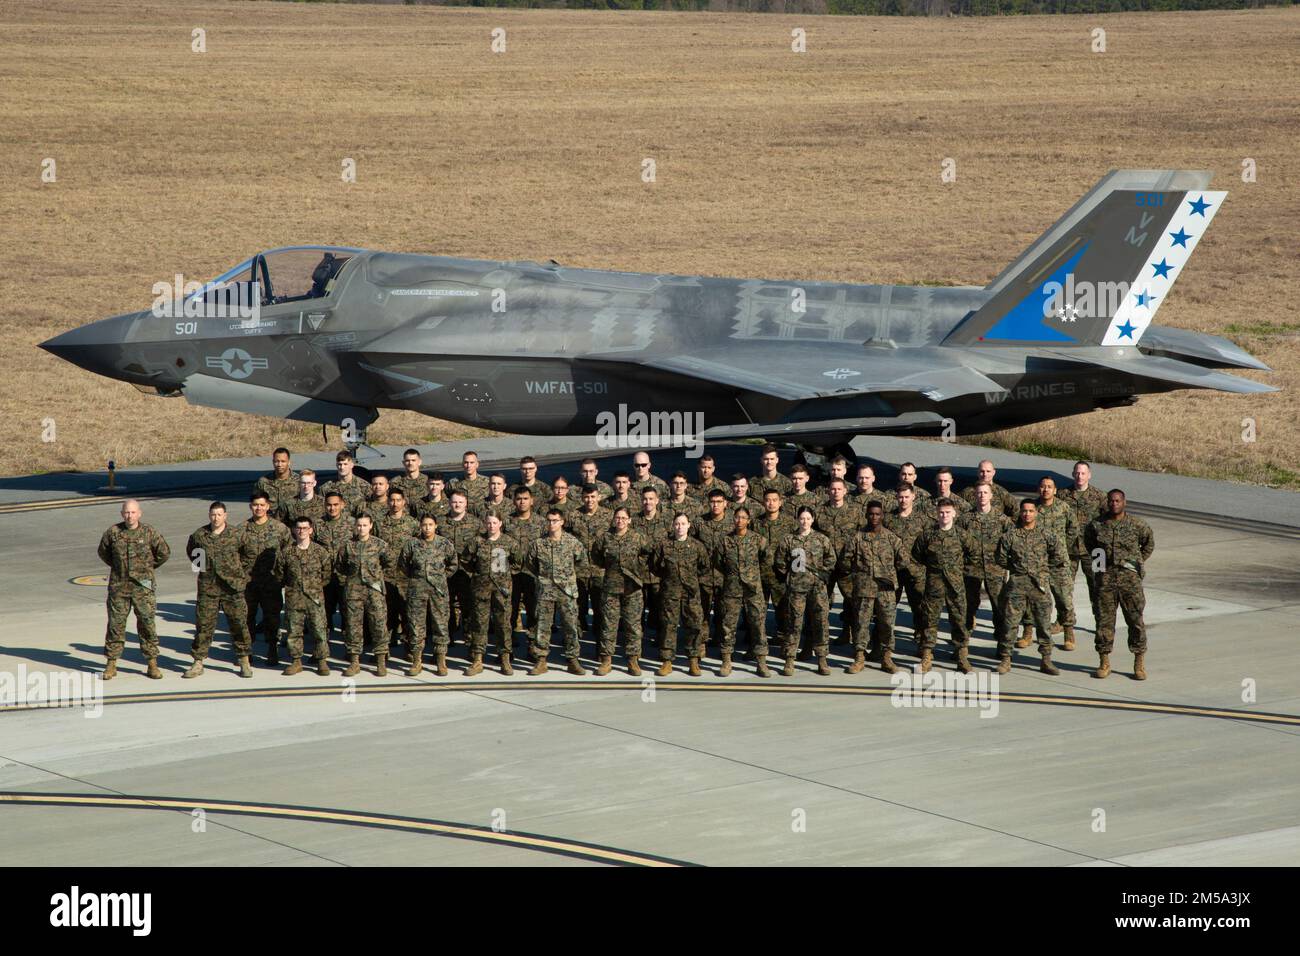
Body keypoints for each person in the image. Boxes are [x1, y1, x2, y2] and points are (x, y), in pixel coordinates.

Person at [1085, 490, 1155, 680]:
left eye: (1117, 501)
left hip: (1129, 581)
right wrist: (1100, 567)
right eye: (1111, 501)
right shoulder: (1097, 525)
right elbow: (1090, 544)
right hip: (1105, 580)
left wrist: (1137, 562)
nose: (1114, 504)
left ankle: (1139, 662)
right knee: (1104, 622)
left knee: (1135, 621)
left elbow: (1148, 543)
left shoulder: (1136, 524)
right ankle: (1104, 661)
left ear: (1124, 502)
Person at [97, 499, 169, 680]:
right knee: (115, 625)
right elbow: (103, 552)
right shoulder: (113, 533)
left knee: (147, 625)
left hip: (143, 588)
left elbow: (163, 553)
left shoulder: (149, 532)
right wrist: (119, 568)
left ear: (140, 513)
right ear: (122, 514)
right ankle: (111, 663)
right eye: (127, 513)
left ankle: (152, 663)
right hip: (119, 588)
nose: (130, 516)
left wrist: (147, 569)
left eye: (133, 512)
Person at [994, 500, 1066, 675]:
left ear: (1036, 513)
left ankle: (1046, 660)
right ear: (1020, 513)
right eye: (1024, 511)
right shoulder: (1010, 536)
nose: (1027, 514)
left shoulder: (1046, 535)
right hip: (1017, 585)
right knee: (1010, 623)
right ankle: (1006, 659)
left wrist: (1042, 570)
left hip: (1039, 586)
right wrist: (1016, 569)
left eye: (1031, 511)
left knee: (1043, 624)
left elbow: (1058, 556)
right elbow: (1000, 558)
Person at [184, 501, 254, 679]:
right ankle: (198, 662)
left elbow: (249, 554)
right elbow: (192, 551)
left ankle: (244, 660)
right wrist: (202, 569)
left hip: (232, 588)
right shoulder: (200, 535)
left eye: (219, 515)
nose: (216, 518)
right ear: (209, 515)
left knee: (239, 624)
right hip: (209, 587)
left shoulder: (236, 534)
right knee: (204, 625)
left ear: (225, 516)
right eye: (213, 514)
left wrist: (240, 573)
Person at [840, 501, 904, 674]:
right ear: (866, 515)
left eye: (877, 514)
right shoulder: (857, 537)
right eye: (871, 514)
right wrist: (855, 580)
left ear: (882, 515)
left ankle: (886, 657)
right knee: (861, 624)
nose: (874, 517)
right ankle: (859, 657)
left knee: (887, 624)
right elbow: (845, 562)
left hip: (886, 590)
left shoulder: (891, 538)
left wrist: (890, 576)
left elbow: (903, 561)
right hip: (864, 587)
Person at [911, 499, 973, 673]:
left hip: (956, 586)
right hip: (934, 584)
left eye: (947, 512)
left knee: (959, 620)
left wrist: (958, 570)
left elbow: (973, 554)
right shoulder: (928, 535)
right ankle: (927, 656)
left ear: (954, 513)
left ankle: (961, 657)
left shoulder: (962, 535)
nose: (944, 515)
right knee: (929, 621)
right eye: (941, 512)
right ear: (937, 513)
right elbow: (917, 555)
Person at [773, 506, 836, 676]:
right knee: (794, 623)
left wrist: (822, 574)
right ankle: (789, 660)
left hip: (818, 588)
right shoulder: (789, 540)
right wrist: (789, 576)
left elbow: (831, 559)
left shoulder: (821, 539)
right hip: (796, 589)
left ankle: (822, 659)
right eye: (802, 518)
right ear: (797, 519)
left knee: (821, 623)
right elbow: (780, 561)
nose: (805, 522)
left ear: (813, 519)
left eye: (808, 518)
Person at [526, 509, 589, 676]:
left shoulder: (572, 543)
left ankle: (573, 659)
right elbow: (531, 564)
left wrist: (568, 577)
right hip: (545, 591)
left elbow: (582, 562)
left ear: (562, 522)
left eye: (555, 520)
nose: (551, 523)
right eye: (549, 520)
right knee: (542, 626)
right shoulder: (538, 544)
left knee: (570, 626)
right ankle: (541, 660)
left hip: (567, 591)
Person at [591, 507, 651, 675]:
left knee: (633, 625)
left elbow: (648, 555)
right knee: (608, 625)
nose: (620, 521)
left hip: (632, 588)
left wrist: (638, 568)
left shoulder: (638, 538)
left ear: (630, 520)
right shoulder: (605, 538)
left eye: (624, 518)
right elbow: (596, 557)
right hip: (611, 587)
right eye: (617, 517)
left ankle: (632, 660)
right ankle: (606, 660)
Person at [651, 513, 711, 676]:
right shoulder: (664, 545)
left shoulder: (697, 546)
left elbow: (704, 566)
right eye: (677, 524)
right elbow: (655, 566)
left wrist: (691, 580)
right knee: (668, 626)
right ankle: (667, 661)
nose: (680, 527)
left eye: (683, 524)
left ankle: (693, 660)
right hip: (670, 592)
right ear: (673, 525)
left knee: (694, 626)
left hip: (691, 593)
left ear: (689, 525)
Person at [714, 507, 770, 677]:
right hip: (732, 588)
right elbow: (718, 563)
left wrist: (753, 576)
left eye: (743, 517)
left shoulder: (758, 540)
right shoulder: (725, 541)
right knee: (728, 625)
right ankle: (726, 661)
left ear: (749, 520)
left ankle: (761, 661)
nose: (740, 520)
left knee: (758, 625)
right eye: (737, 517)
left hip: (753, 589)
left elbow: (765, 560)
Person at [399, 514, 458, 676]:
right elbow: (403, 565)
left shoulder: (444, 544)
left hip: (438, 592)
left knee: (440, 625)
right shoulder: (412, 544)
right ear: (420, 526)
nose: (427, 528)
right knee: (416, 625)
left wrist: (439, 578)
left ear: (436, 526)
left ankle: (440, 660)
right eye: (424, 525)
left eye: (430, 524)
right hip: (417, 591)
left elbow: (453, 564)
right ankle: (417, 660)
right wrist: (417, 578)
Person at [275, 517, 334, 676]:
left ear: (311, 530)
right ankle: (296, 661)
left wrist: (315, 587)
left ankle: (322, 661)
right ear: (294, 530)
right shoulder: (286, 552)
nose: (301, 531)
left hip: (315, 598)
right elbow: (279, 574)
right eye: (298, 528)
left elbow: (327, 574)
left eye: (305, 528)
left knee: (319, 630)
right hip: (294, 597)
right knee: (294, 631)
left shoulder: (320, 552)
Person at [336, 513, 393, 676]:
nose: (361, 528)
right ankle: (354, 662)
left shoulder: (380, 545)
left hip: (374, 592)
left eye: (364, 525)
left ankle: (381, 661)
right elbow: (340, 565)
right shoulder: (348, 546)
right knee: (353, 626)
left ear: (371, 526)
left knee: (378, 624)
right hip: (354, 591)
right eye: (359, 525)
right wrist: (349, 580)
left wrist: (378, 578)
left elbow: (389, 563)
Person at [243, 491, 290, 666]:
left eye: (262, 505)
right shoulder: (242, 529)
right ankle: (247, 651)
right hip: (249, 583)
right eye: (255, 505)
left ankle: (272, 649)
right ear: (250, 507)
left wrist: (283, 577)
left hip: (271, 582)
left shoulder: (279, 528)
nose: (259, 508)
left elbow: (288, 553)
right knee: (247, 617)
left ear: (268, 506)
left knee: (272, 617)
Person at [468, 514, 520, 675]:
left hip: (501, 591)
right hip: (481, 589)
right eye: (488, 522)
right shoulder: (477, 542)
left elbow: (518, 563)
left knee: (503, 623)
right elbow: (466, 560)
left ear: (500, 524)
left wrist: (505, 578)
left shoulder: (509, 542)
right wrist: (477, 576)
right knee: (479, 623)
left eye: (494, 523)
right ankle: (477, 659)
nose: (491, 526)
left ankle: (504, 658)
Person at [959, 483, 1012, 640]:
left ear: (991, 496)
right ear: (975, 495)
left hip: (994, 569)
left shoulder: (1002, 520)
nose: (982, 495)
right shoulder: (965, 519)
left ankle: (1002, 643)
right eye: (979, 493)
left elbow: (1011, 542)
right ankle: (962, 643)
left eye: (985, 492)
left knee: (999, 606)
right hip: (970, 569)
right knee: (968, 606)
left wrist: (1005, 562)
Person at [1060, 460, 1107, 623]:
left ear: (1089, 475)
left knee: (1098, 586)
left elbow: (1110, 522)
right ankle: (1065, 621)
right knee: (1064, 587)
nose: (1080, 476)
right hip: (1068, 548)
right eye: (1077, 473)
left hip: (1095, 550)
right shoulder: (1062, 495)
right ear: (1073, 474)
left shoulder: (1100, 496)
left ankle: (1101, 620)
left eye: (1083, 473)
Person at [1036, 476, 1080, 648]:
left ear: (1055, 490)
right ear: (1038, 489)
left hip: (1059, 562)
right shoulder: (1033, 508)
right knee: (1037, 599)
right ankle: (1028, 632)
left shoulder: (1063, 507)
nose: (1045, 489)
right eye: (1042, 486)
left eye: (1049, 487)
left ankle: (1068, 631)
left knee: (1064, 598)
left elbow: (1073, 528)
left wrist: (1063, 546)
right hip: (1038, 561)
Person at [315, 492, 356, 645]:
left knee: (348, 613)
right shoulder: (317, 524)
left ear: (342, 505)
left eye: (335, 504)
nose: (332, 508)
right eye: (329, 505)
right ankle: (322, 648)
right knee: (323, 613)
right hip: (324, 577)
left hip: (345, 577)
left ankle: (350, 648)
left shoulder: (352, 524)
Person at [321, 449, 369, 517]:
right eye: (339, 464)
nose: (342, 467)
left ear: (352, 465)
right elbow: (322, 510)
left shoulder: (364, 486)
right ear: (336, 465)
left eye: (345, 464)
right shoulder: (326, 488)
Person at [253, 447, 298, 513]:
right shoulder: (263, 482)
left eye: (283, 461)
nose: (279, 465)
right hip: (270, 521)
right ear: (273, 462)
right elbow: (256, 504)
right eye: (277, 461)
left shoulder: (299, 481)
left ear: (289, 462)